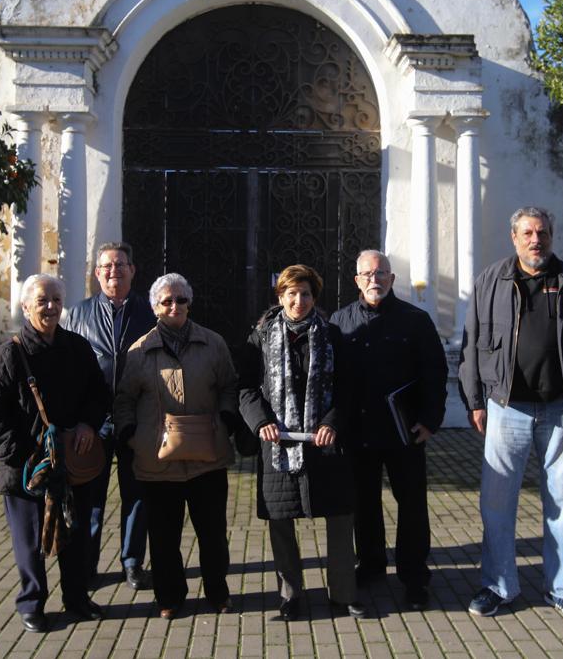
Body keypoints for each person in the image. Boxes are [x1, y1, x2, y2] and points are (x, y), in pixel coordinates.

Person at [458, 206, 563, 623]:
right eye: (527, 233)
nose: (535, 240)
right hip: (505, 408)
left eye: (542, 232)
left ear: (552, 235)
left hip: (562, 409)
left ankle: (562, 589)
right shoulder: (491, 281)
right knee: (496, 502)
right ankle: (498, 586)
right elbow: (471, 345)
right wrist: (475, 400)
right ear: (514, 237)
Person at [0, 274, 110, 633]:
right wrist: (18, 455)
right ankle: (32, 604)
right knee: (31, 541)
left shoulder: (78, 348)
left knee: (76, 534)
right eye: (41, 300)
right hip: (27, 468)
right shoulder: (11, 354)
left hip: (71, 462)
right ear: (25, 307)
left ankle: (77, 598)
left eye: (54, 299)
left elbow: (99, 395)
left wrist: (87, 424)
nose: (50, 306)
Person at [238, 265, 365, 621]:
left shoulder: (333, 336)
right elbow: (246, 387)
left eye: (306, 293)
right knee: (281, 521)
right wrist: (260, 421)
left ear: (314, 297)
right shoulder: (260, 337)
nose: (299, 300)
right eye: (291, 293)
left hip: (325, 443)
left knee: (340, 518)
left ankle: (343, 593)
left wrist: (331, 422)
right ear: (280, 297)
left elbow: (346, 388)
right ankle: (291, 595)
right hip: (277, 443)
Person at [112, 273, 239, 620]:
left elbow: (230, 385)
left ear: (189, 303)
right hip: (157, 461)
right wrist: (129, 434)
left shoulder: (213, 344)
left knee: (213, 535)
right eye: (166, 301)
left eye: (180, 300)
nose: (174, 306)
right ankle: (169, 596)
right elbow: (124, 398)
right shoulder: (139, 351)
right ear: (154, 307)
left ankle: (218, 592)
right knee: (164, 538)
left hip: (207, 458)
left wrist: (226, 418)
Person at [330, 250, 448, 611]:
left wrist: (430, 420)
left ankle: (414, 577)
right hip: (358, 432)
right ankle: (370, 566)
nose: (374, 279)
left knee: (411, 505)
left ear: (392, 279)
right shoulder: (339, 322)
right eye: (366, 273)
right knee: (363, 504)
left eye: (381, 273)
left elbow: (435, 372)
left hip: (404, 431)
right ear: (356, 280)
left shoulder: (415, 320)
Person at [61, 242, 156, 591]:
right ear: (97, 273)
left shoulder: (150, 313)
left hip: (137, 418)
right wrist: (75, 421)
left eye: (120, 264)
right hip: (93, 422)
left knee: (137, 495)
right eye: (106, 266)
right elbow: (69, 375)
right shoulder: (77, 314)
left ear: (133, 270)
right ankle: (87, 565)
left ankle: (132, 562)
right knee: (90, 498)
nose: (113, 270)